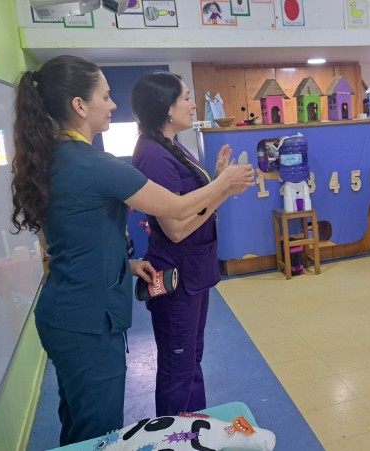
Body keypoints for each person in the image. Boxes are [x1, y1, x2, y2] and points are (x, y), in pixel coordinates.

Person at [10, 55, 254, 446]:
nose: (112, 105)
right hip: (87, 318)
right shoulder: (96, 164)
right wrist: (224, 183)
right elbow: (177, 210)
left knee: (79, 422)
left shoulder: (58, 157)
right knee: (98, 431)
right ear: (79, 105)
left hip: (71, 310)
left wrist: (127, 262)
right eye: (105, 96)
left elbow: (80, 234)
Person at [130, 71, 238, 416]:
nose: (193, 105)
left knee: (191, 358)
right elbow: (176, 229)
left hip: (193, 271)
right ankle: (174, 435)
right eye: (187, 98)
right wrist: (222, 188)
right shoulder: (153, 155)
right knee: (178, 367)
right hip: (177, 275)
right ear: (167, 107)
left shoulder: (170, 145)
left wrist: (218, 181)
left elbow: (194, 203)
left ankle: (193, 428)